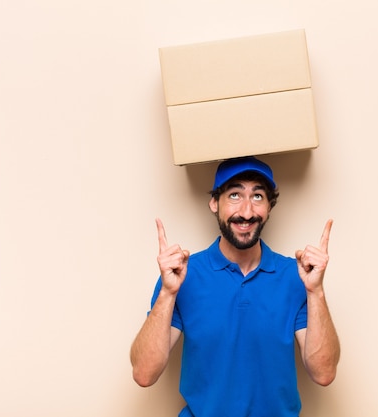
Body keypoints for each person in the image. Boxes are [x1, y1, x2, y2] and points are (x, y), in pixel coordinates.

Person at [130, 156, 340, 417]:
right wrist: (168, 292)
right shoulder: (183, 275)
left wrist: (315, 291)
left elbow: (324, 373)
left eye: (258, 196)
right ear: (214, 203)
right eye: (234, 195)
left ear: (270, 207)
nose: (247, 211)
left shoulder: (296, 276)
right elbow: (143, 373)